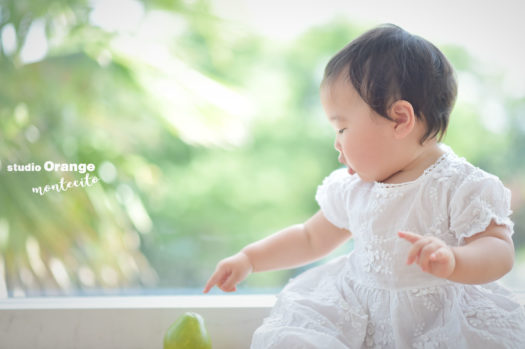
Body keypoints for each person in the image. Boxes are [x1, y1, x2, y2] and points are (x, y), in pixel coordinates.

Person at [203, 24, 525, 348]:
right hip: (359, 314)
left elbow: (498, 251)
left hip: (438, 321)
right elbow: (310, 237)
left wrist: (456, 260)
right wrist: (250, 258)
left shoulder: (459, 185)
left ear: (400, 119)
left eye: (342, 128)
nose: (336, 143)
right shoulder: (354, 188)